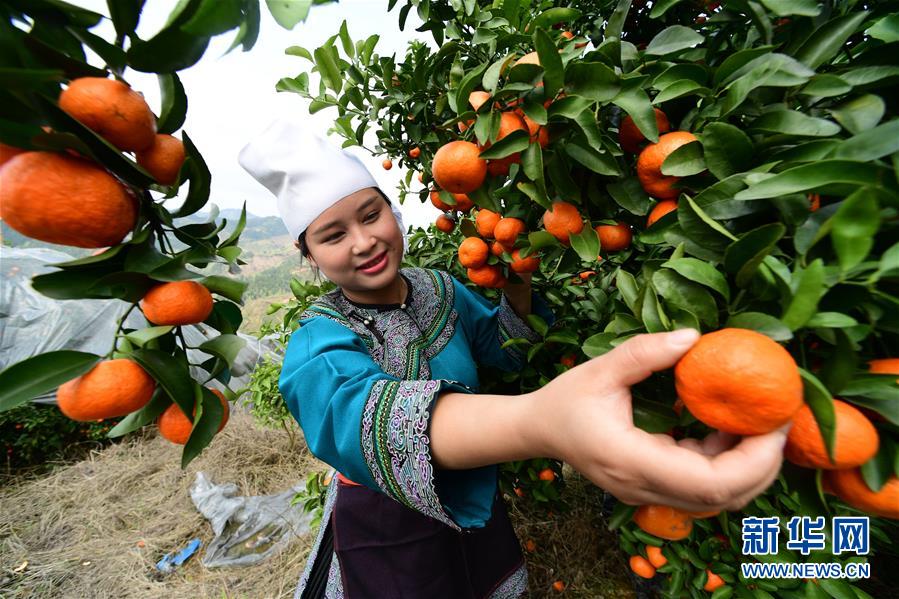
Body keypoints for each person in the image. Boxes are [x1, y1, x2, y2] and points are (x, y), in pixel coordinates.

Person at [239, 120, 788, 599]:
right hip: (387, 520)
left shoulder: (438, 288)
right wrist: (546, 423)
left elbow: (503, 350)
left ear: (390, 209)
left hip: (475, 496)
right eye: (333, 236)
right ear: (307, 254)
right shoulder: (320, 339)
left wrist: (517, 287)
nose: (363, 242)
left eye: (370, 214)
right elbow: (359, 415)